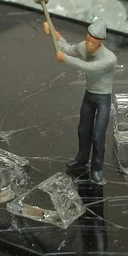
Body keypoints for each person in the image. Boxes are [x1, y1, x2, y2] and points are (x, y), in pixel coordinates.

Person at [45, 19, 117, 185]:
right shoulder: (83, 46)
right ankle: (81, 159)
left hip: (103, 98)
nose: (89, 44)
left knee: (98, 136)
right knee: (83, 130)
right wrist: (54, 34)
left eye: (93, 42)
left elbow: (88, 67)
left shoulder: (110, 58)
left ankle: (97, 169)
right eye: (88, 39)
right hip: (89, 95)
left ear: (101, 42)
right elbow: (67, 49)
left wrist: (65, 59)